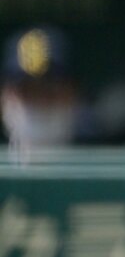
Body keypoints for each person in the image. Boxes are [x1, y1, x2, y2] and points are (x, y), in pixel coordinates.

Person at [1, 26, 90, 160]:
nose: (40, 102)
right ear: (5, 98)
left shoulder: (108, 157)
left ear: (74, 94)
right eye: (28, 91)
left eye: (50, 91)